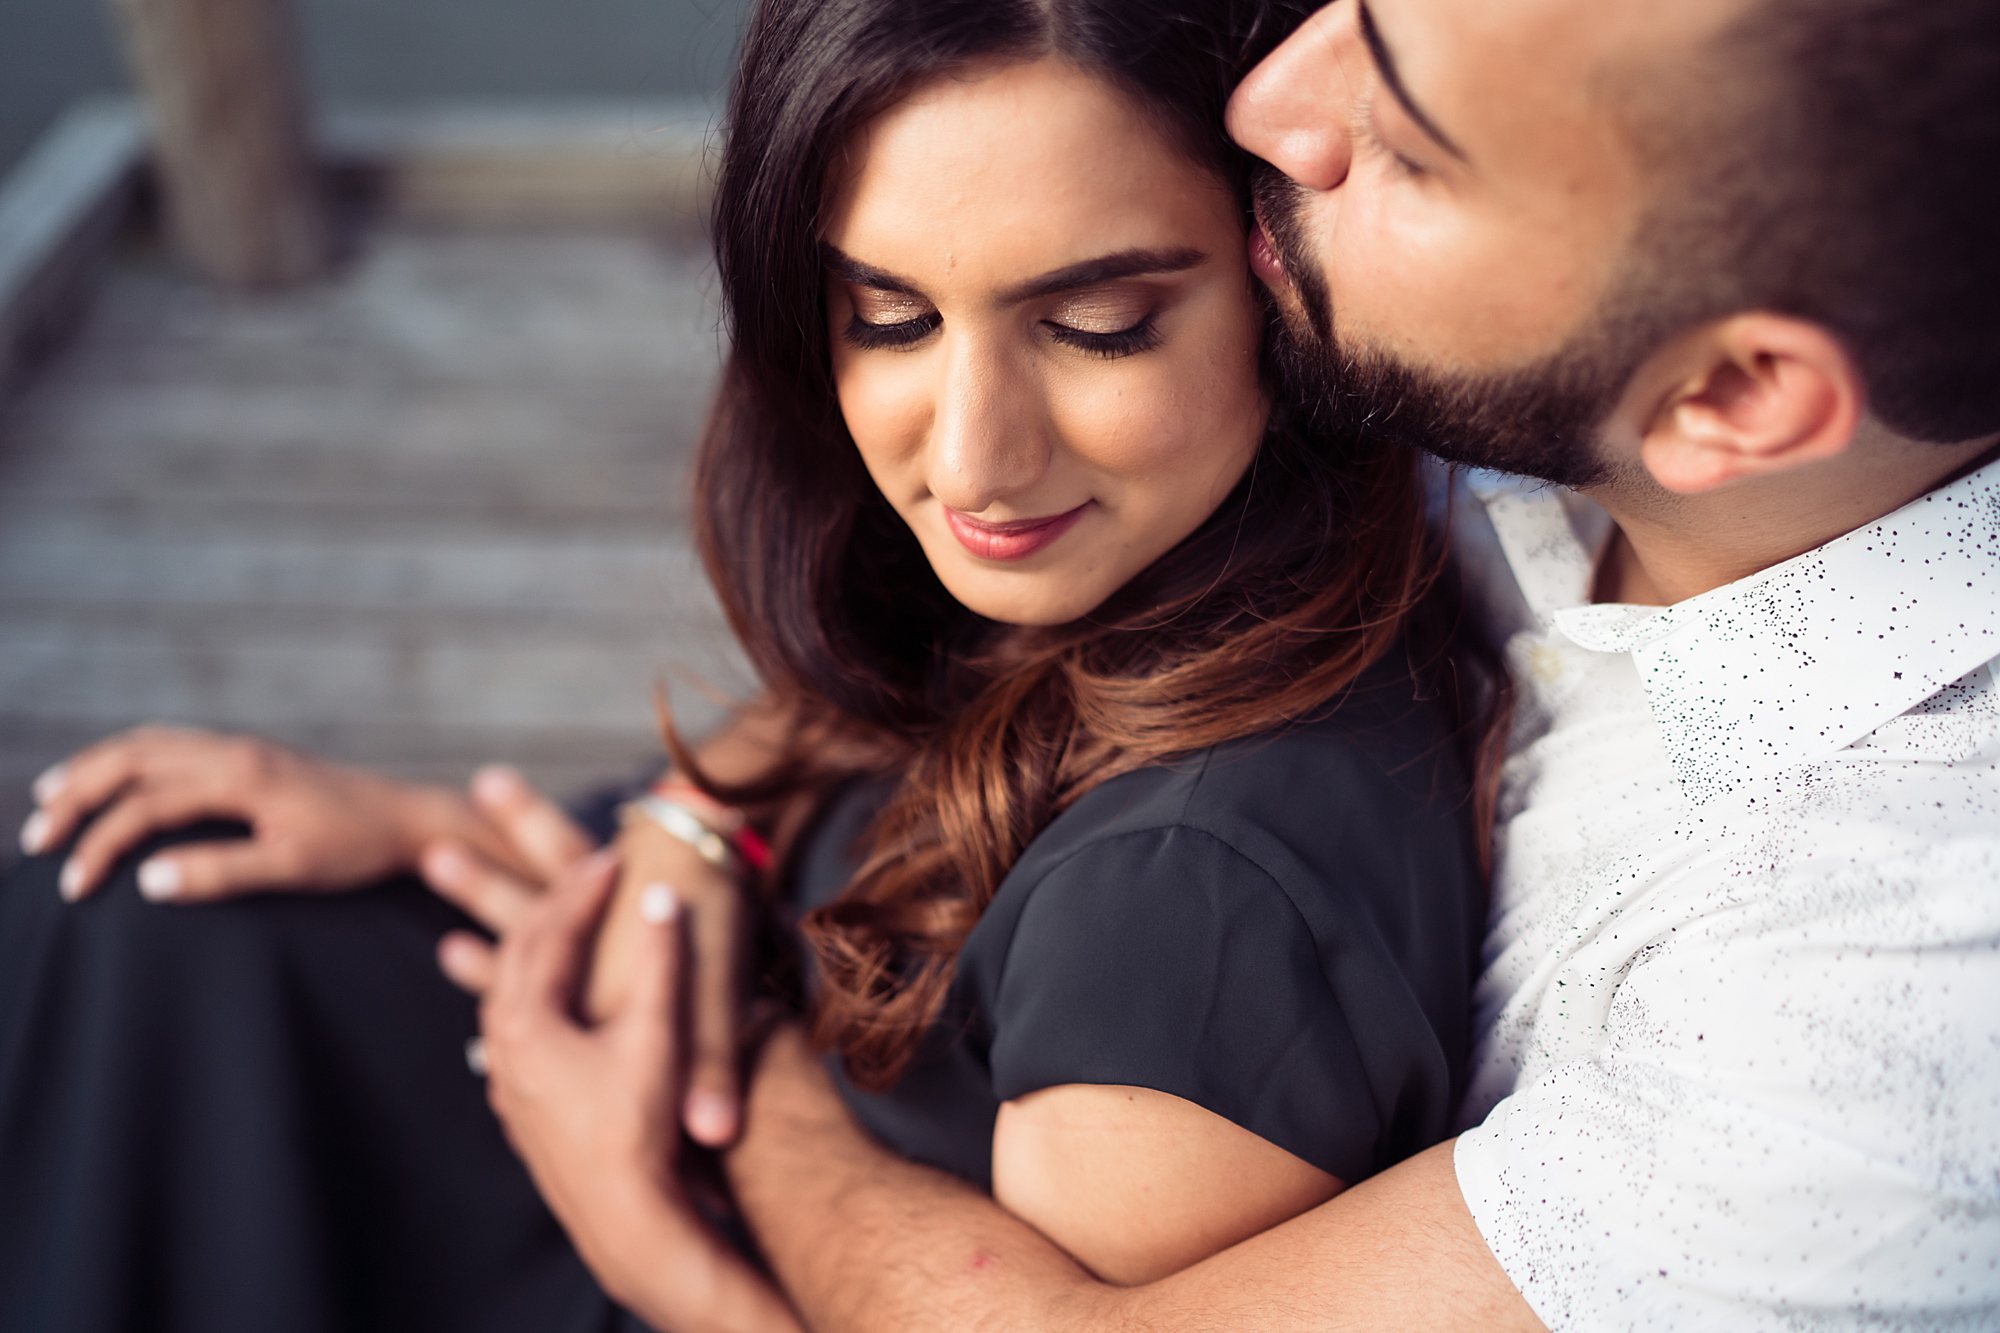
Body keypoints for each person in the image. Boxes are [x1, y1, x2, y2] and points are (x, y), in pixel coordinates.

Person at [425, 0, 2000, 1329]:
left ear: (1727, 397)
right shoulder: (1485, 335)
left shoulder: (1882, 1015)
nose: (1269, 99)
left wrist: (712, 1111)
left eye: (1407, 144)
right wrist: (681, 830)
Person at [0, 0, 1496, 1328]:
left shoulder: (1194, 920)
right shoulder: (1179, 557)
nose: (971, 454)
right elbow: (908, 742)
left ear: (1280, 269)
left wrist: (661, 1196)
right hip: (669, 1018)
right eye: (887, 318)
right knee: (138, 892)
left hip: (639, 1211)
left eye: (1098, 325)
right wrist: (606, 835)